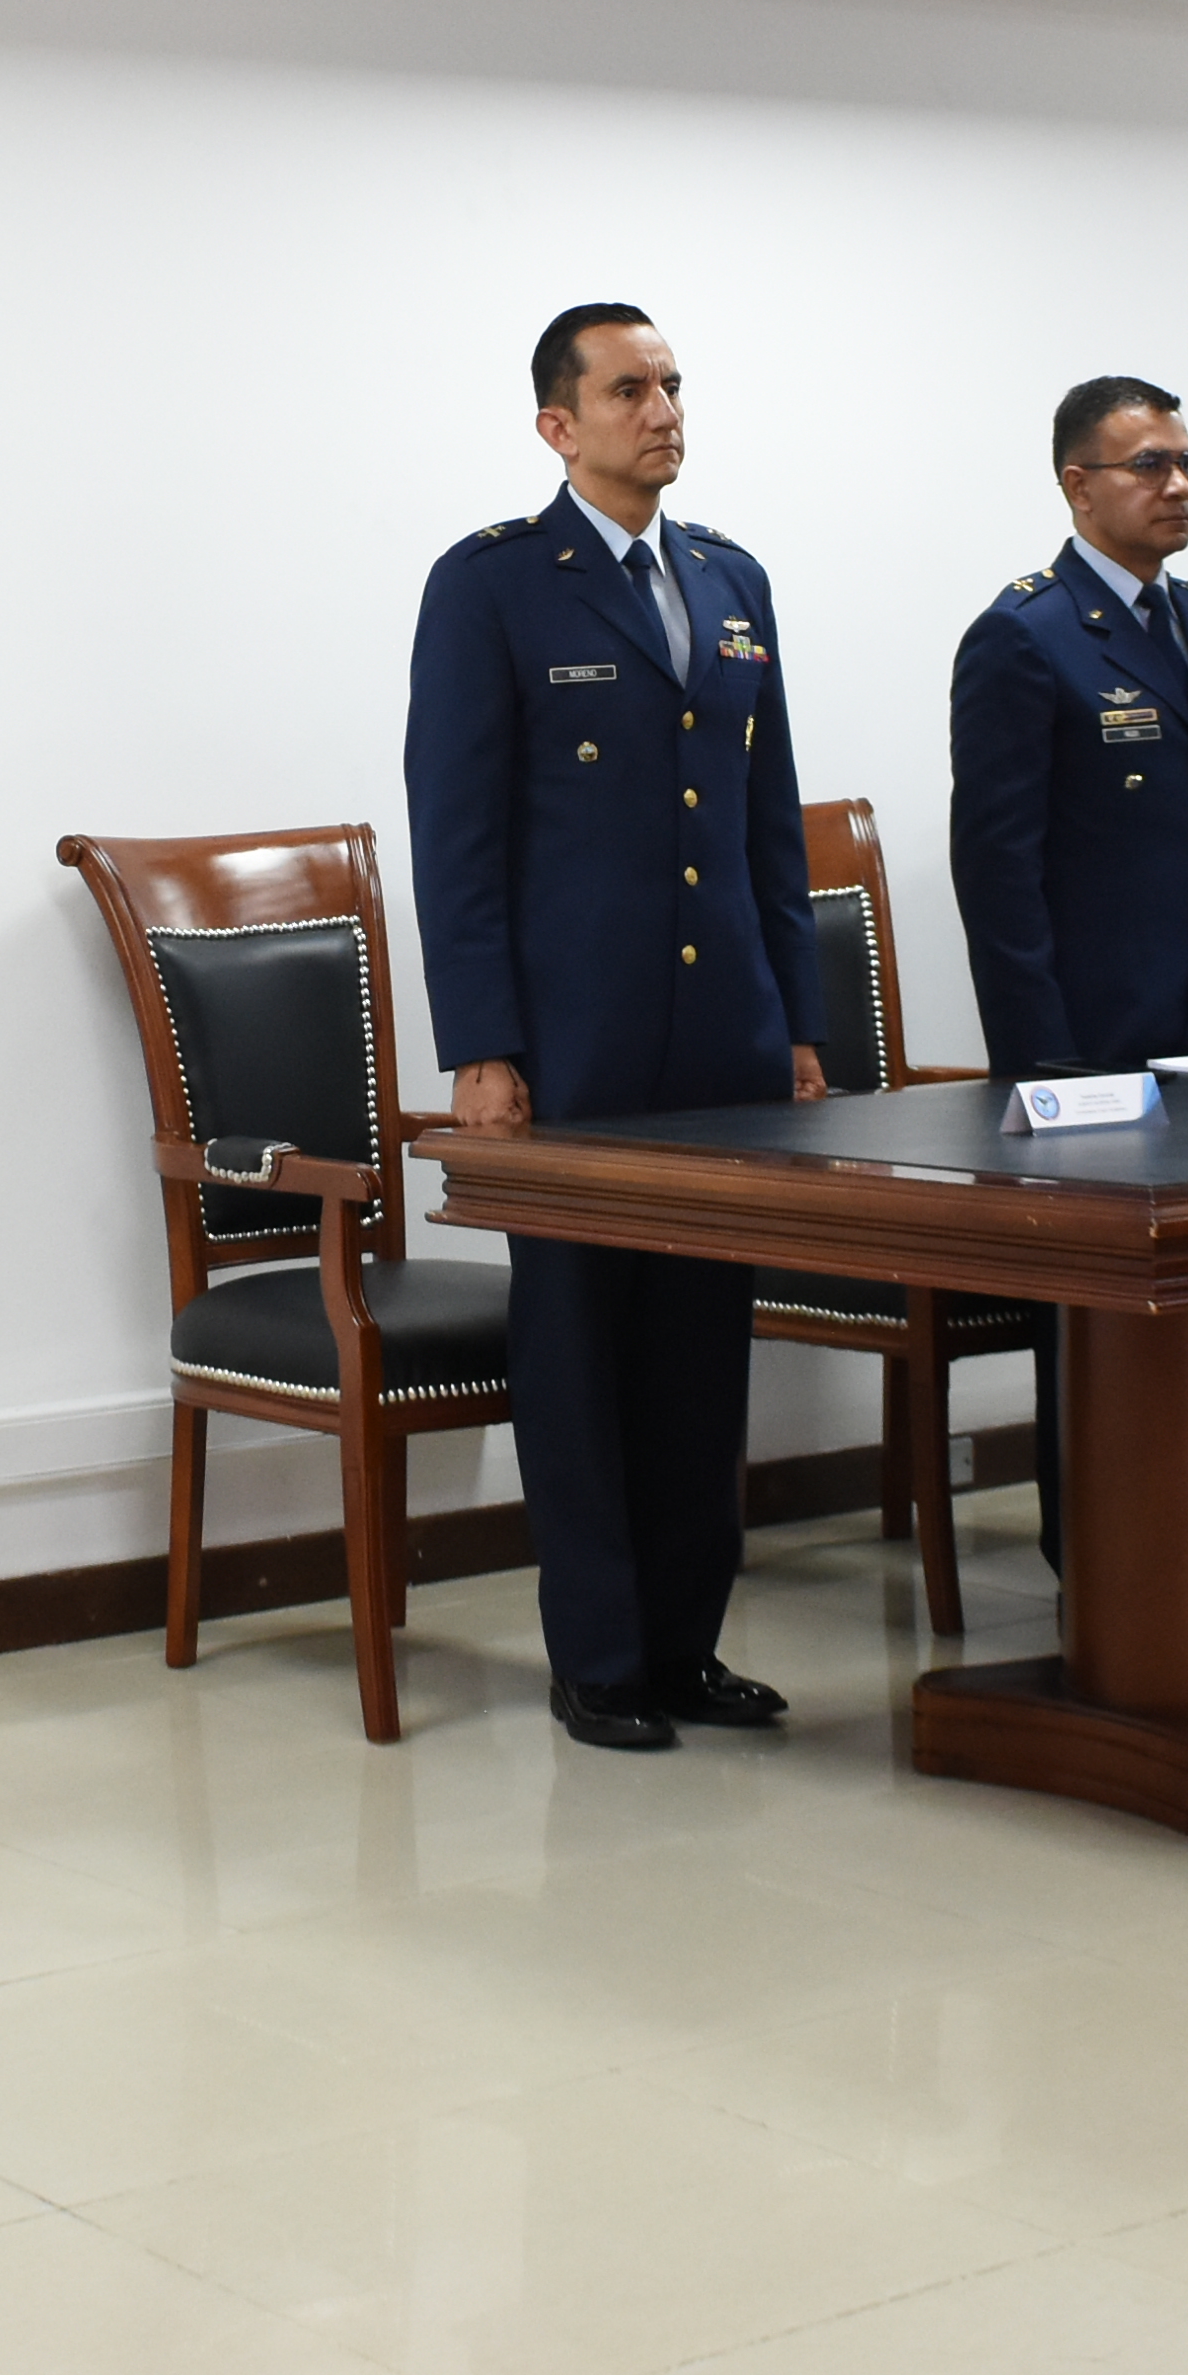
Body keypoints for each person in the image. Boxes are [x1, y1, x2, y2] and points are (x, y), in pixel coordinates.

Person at [406, 305, 827, 1752]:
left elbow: (766, 820)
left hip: (721, 1038)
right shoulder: (496, 589)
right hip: (574, 1043)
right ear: (558, 426)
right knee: (579, 1350)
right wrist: (484, 1042)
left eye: (671, 385)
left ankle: (685, 1644)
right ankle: (598, 1654)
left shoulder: (730, 581)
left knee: (703, 1350)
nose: (661, 410)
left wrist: (794, 1019)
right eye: (628, 389)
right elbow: (456, 834)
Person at [947, 374, 1188, 1563]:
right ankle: (1094, 1552)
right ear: (1078, 483)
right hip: (1098, 1046)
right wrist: (1044, 1066)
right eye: (1150, 465)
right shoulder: (1023, 634)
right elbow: (1001, 876)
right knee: (1096, 1331)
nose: (1178, 486)